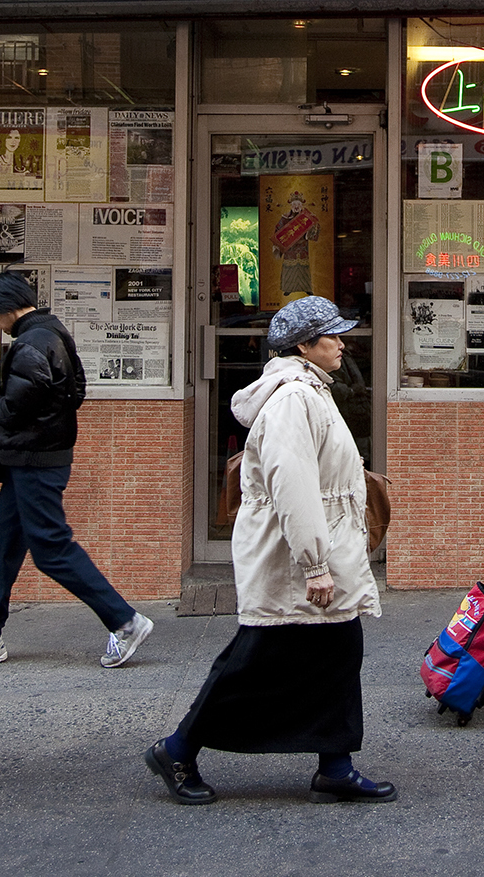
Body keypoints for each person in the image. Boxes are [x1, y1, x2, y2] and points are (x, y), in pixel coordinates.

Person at [146, 295, 389, 806]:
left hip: (316, 549)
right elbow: (293, 485)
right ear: (304, 346)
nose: (343, 343)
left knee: (339, 653)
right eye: (333, 335)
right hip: (296, 558)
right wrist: (315, 566)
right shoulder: (292, 400)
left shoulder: (312, 390)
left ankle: (336, 764)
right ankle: (178, 747)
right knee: (255, 661)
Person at [0, 272, 154, 669]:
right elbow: (75, 393)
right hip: (36, 459)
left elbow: (12, 410)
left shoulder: (30, 344)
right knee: (0, 544)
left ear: (7, 309)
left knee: (52, 549)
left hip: (35, 461)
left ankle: (124, 621)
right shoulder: (54, 332)